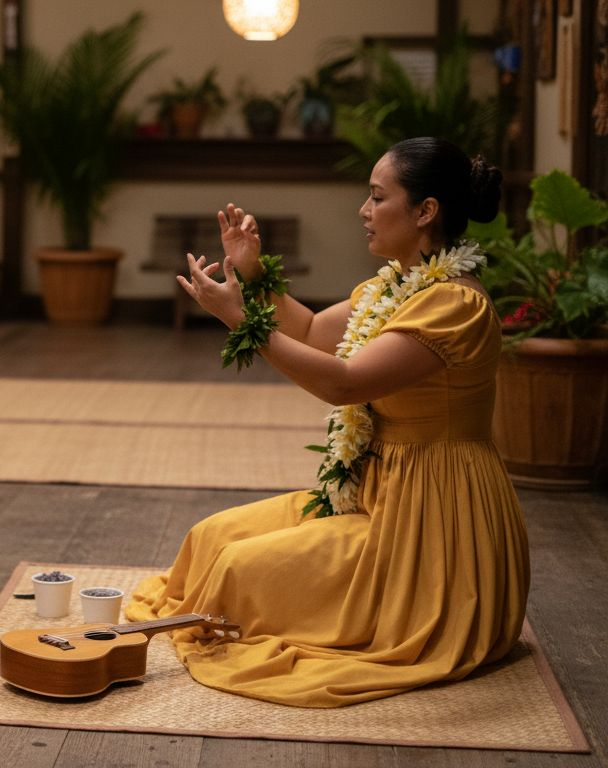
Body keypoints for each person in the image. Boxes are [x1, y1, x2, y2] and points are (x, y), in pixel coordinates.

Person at [126, 137, 530, 707]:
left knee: (240, 569)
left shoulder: (454, 305)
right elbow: (315, 332)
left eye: (376, 197)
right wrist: (254, 272)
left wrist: (243, 321)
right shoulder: (390, 286)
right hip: (374, 490)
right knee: (210, 538)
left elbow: (344, 381)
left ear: (425, 211)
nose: (363, 212)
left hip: (435, 515)